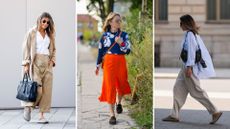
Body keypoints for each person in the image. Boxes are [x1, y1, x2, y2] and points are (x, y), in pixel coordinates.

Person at [162, 14, 222, 124]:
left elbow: (191, 52)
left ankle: (215, 111)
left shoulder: (190, 35)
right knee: (178, 88)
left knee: (196, 91)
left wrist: (189, 67)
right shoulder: (189, 34)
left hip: (189, 66)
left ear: (186, 23)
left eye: (181, 23)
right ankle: (174, 114)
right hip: (185, 66)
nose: (180, 25)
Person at [95, 12, 131, 125]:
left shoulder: (124, 35)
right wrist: (97, 65)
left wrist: (122, 43)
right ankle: (112, 115)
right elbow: (100, 51)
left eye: (120, 20)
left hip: (120, 61)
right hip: (109, 63)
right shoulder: (104, 36)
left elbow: (128, 51)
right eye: (117, 20)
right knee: (109, 86)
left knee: (121, 84)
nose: (119, 22)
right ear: (110, 22)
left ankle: (119, 102)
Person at [21, 12, 56, 124]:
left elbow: (54, 49)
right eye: (43, 21)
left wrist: (52, 60)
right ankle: (28, 107)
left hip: (47, 63)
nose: (45, 24)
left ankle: (41, 116)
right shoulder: (32, 33)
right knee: (37, 89)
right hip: (35, 63)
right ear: (39, 20)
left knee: (46, 91)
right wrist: (26, 64)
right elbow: (26, 48)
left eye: (47, 22)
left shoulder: (50, 34)